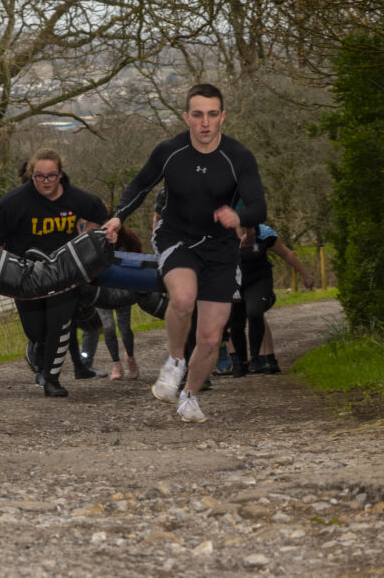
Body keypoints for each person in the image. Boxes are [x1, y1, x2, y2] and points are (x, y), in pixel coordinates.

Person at [103, 83, 266, 423]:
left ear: (222, 117)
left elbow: (258, 205)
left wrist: (239, 217)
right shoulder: (170, 151)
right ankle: (175, 360)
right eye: (197, 115)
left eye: (211, 115)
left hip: (221, 247)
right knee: (182, 299)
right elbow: (140, 185)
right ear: (186, 117)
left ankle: (189, 395)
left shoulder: (238, 157)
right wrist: (118, 216)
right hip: (176, 236)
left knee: (209, 337)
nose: (204, 123)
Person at [0, 148, 108, 397]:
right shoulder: (12, 204)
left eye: (51, 176)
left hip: (63, 274)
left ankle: (52, 379)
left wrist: (85, 241)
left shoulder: (75, 199)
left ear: (60, 174)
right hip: (26, 277)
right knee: (36, 330)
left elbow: (99, 213)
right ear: (31, 175)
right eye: (39, 176)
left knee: (59, 324)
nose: (46, 182)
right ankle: (37, 349)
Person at [228, 224, 314, 375]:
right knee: (234, 322)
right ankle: (240, 361)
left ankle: (259, 359)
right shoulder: (222, 234)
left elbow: (286, 253)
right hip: (234, 283)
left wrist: (305, 275)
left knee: (254, 312)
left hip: (259, 280)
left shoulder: (264, 233)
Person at [81, 214, 143, 380]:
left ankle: (130, 358)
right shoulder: (93, 241)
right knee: (108, 327)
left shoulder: (128, 237)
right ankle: (116, 363)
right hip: (102, 290)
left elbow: (139, 256)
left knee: (124, 327)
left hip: (123, 289)